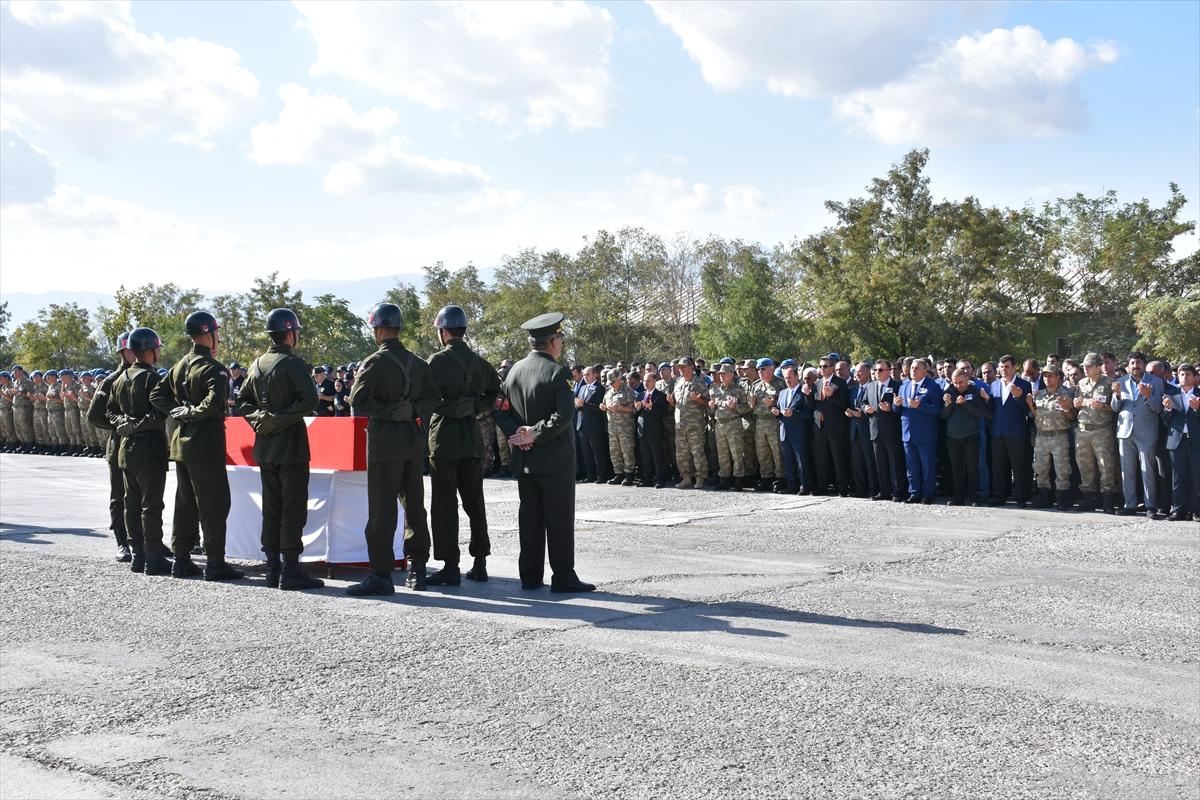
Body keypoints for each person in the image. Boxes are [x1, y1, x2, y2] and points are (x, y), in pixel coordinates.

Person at [493, 312, 594, 592]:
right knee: (559, 517)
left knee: (530, 516)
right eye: (559, 338)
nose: (560, 344)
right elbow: (563, 416)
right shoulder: (558, 372)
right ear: (552, 341)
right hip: (554, 459)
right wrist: (533, 433)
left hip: (525, 458)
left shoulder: (513, 371)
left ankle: (530, 575)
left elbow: (499, 409)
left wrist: (518, 434)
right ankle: (563, 576)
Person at [346, 302, 440, 596]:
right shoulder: (418, 362)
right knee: (414, 506)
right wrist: (410, 408)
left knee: (382, 510)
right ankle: (418, 569)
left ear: (380, 329)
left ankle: (381, 574)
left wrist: (388, 411)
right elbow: (434, 398)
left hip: (385, 444)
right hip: (412, 442)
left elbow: (356, 400)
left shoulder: (373, 362)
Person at [150, 311, 242, 581]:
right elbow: (213, 404)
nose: (218, 338)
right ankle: (215, 563)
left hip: (182, 444)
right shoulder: (214, 369)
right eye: (216, 333)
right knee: (213, 503)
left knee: (186, 503)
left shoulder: (180, 365)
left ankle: (181, 560)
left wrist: (178, 412)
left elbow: (158, 394)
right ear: (206, 334)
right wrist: (191, 412)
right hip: (206, 443)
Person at [236, 308, 323, 591]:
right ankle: (290, 568)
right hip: (291, 447)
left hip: (266, 446)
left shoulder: (257, 364)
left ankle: (273, 566)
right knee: (293, 508)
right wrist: (278, 419)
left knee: (271, 508)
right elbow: (310, 400)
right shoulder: (293, 364)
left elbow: (243, 402)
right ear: (290, 333)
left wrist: (262, 421)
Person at [425, 305, 501, 587]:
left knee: (444, 505)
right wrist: (472, 405)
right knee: (474, 503)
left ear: (444, 332)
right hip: (471, 438)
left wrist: (450, 406)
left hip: (444, 437)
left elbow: (425, 398)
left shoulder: (435, 361)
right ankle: (480, 562)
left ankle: (450, 565)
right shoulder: (480, 363)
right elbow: (495, 394)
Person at [105, 328, 171, 575]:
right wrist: (135, 425)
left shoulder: (120, 379)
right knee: (151, 505)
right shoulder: (154, 379)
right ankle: (153, 557)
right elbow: (159, 413)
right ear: (151, 351)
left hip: (126, 451)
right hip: (149, 449)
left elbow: (109, 411)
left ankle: (138, 556)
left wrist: (123, 423)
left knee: (131, 504)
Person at [89, 334, 135, 560]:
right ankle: (122, 542)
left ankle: (143, 539)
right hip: (119, 445)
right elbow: (95, 415)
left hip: (141, 446)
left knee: (143, 495)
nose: (135, 353)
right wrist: (120, 424)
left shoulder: (144, 376)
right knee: (120, 495)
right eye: (130, 350)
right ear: (122, 352)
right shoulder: (111, 380)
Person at [1111, 352, 1165, 519]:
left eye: (1139, 362)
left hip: (1147, 431)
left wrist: (1148, 397)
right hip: (1125, 431)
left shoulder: (1155, 382)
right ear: (1128, 365)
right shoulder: (1120, 382)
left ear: (1144, 364)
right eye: (1132, 363)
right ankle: (1130, 504)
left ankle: (1150, 506)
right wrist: (1117, 395)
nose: (1135, 366)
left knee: (1147, 470)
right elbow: (1115, 408)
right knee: (1127, 471)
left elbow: (1159, 408)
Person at [1072, 353, 1119, 514]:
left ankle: (1108, 500)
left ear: (1098, 367)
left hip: (1102, 429)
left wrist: (1104, 407)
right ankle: (1088, 499)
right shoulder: (1081, 383)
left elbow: (1116, 407)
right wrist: (1079, 403)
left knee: (1106, 466)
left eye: (1089, 366)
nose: (1085, 369)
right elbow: (1076, 402)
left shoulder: (1110, 383)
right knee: (1085, 465)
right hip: (1083, 429)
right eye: (1084, 366)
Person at [989, 355, 1034, 508]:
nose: (1004, 370)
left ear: (1015, 368)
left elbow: (1029, 411)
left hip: (1017, 432)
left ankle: (1021, 497)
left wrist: (1019, 397)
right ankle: (1000, 496)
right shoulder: (994, 385)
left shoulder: (1024, 385)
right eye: (1001, 367)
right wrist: (985, 399)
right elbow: (991, 410)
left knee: (1019, 466)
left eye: (1007, 367)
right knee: (998, 466)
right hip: (997, 433)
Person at [896, 358, 943, 503]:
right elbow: (898, 409)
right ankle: (914, 493)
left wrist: (920, 406)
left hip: (926, 434)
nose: (913, 371)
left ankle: (928, 494)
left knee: (928, 467)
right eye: (911, 368)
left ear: (924, 371)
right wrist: (895, 405)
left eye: (917, 368)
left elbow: (938, 409)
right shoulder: (904, 385)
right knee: (912, 467)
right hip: (907, 433)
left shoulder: (932, 386)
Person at [941, 368, 989, 505]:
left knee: (972, 467)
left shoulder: (975, 392)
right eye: (955, 382)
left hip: (971, 436)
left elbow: (981, 413)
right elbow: (943, 415)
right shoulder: (948, 392)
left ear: (967, 379)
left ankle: (974, 497)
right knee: (956, 468)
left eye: (960, 382)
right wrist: (947, 404)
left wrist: (965, 404)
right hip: (953, 437)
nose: (958, 385)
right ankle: (958, 497)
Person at [1030, 365, 1076, 510]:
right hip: (1042, 436)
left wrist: (1066, 407)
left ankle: (1063, 498)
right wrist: (1030, 405)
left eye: (1050, 376)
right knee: (1041, 469)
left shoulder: (1066, 393)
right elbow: (1037, 415)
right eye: (1045, 376)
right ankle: (1044, 496)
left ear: (1058, 377)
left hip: (1059, 435)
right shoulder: (1038, 394)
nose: (1047, 379)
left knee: (1062, 469)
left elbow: (1072, 417)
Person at [860, 359, 905, 502]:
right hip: (875, 430)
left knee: (895, 463)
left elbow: (902, 409)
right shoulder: (871, 386)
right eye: (875, 370)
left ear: (888, 371)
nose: (877, 373)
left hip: (892, 430)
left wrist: (890, 409)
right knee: (880, 463)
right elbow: (863, 402)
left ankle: (898, 491)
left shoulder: (897, 385)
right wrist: (865, 409)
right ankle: (884, 491)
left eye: (880, 370)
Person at [1161, 363, 1199, 521]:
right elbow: (1164, 421)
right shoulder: (1170, 393)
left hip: (1196, 439)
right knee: (1177, 477)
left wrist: (1197, 409)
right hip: (1176, 439)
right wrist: (1168, 409)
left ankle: (1196, 509)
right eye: (1181, 374)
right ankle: (1178, 509)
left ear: (1194, 377)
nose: (1185, 377)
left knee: (1196, 476)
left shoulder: (1198, 393)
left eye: (1188, 374)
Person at [667, 356, 709, 490]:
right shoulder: (678, 383)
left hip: (695, 425)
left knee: (697, 453)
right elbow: (676, 403)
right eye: (679, 367)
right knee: (682, 454)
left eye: (684, 366)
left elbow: (708, 402)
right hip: (680, 424)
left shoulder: (699, 382)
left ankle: (700, 478)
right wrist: (671, 401)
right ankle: (686, 478)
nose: (681, 369)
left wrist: (698, 399)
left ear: (691, 367)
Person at [812, 353, 851, 496]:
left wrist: (832, 396)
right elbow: (814, 405)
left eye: (825, 366)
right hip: (820, 426)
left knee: (838, 458)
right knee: (821, 458)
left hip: (835, 427)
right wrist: (807, 394)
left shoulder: (840, 383)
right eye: (820, 366)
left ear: (833, 367)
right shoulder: (817, 383)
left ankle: (843, 488)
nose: (822, 369)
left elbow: (844, 404)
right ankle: (822, 487)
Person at [709, 363, 749, 491]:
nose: (721, 376)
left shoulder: (738, 390)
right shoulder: (715, 390)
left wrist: (735, 407)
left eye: (724, 373)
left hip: (733, 423)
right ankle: (724, 479)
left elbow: (746, 408)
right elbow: (710, 411)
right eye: (720, 374)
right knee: (722, 454)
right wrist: (710, 408)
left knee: (736, 453)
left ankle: (738, 480)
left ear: (732, 374)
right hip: (719, 424)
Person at [748, 358, 786, 492]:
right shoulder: (756, 385)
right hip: (760, 421)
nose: (760, 372)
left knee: (777, 451)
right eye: (758, 370)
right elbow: (751, 404)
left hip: (774, 421)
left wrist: (774, 404)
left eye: (762, 369)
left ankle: (781, 478)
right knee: (762, 452)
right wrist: (751, 404)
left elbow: (788, 401)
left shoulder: (781, 383)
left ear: (771, 369)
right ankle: (766, 478)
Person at [774, 365, 811, 494]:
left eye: (790, 377)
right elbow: (781, 412)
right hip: (785, 431)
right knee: (788, 461)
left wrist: (793, 414)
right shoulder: (783, 393)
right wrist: (776, 412)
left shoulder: (803, 391)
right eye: (785, 378)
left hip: (798, 432)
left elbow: (808, 413)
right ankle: (792, 485)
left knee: (801, 461)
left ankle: (805, 485)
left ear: (797, 376)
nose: (787, 380)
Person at [601, 369, 638, 486]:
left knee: (627, 452)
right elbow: (604, 404)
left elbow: (634, 409)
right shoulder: (608, 392)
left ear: (619, 379)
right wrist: (603, 407)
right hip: (612, 428)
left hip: (625, 428)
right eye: (610, 382)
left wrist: (621, 408)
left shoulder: (628, 391)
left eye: (613, 381)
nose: (611, 384)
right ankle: (618, 474)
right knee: (615, 452)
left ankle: (629, 475)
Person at [847, 362, 877, 499]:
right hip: (855, 430)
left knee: (870, 462)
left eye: (860, 372)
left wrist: (863, 414)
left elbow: (874, 409)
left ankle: (873, 489)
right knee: (857, 462)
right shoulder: (853, 389)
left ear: (868, 372)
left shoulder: (874, 387)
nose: (857, 374)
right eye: (856, 372)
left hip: (868, 429)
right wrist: (849, 413)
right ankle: (861, 488)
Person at [574, 366, 607, 483]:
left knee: (597, 452)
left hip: (594, 425)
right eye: (584, 375)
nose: (585, 377)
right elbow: (578, 404)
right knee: (586, 452)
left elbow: (600, 407)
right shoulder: (582, 387)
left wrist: (584, 404)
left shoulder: (600, 388)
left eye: (587, 375)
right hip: (582, 424)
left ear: (594, 375)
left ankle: (601, 476)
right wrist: (578, 404)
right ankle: (590, 475)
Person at [636, 374, 669, 488]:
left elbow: (663, 412)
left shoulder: (660, 395)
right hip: (642, 430)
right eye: (644, 381)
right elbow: (636, 413)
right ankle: (647, 479)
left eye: (648, 381)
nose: (646, 383)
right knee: (645, 457)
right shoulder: (640, 394)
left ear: (655, 381)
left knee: (657, 456)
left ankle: (660, 479)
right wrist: (637, 408)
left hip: (654, 430)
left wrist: (651, 407)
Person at [10, 366, 34, 453]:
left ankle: (29, 444)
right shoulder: (16, 382)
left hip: (24, 407)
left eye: (16, 371)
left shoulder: (28, 382)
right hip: (16, 406)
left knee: (25, 426)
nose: (14, 373)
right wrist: (13, 392)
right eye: (13, 372)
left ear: (21, 371)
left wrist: (20, 393)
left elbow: (30, 395)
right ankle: (23, 443)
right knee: (18, 426)